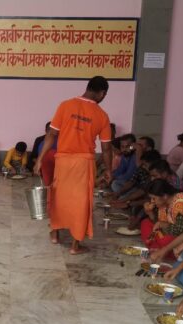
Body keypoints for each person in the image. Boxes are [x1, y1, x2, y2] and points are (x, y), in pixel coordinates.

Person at [33, 76, 113, 254]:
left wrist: (39, 159)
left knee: (58, 197)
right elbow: (107, 148)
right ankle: (75, 245)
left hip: (63, 161)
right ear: (102, 93)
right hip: (84, 164)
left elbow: (51, 135)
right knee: (81, 202)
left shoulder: (65, 105)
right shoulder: (102, 115)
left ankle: (55, 234)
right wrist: (108, 169)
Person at [140, 179, 183, 250]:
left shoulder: (180, 203)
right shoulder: (164, 203)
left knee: (166, 241)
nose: (152, 201)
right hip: (169, 232)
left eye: (154, 198)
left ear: (165, 196)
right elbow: (158, 223)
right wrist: (150, 213)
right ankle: (156, 247)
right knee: (145, 222)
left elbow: (180, 232)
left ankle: (157, 249)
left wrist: (164, 225)